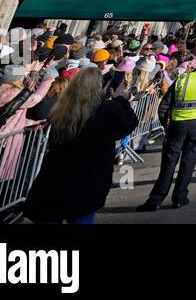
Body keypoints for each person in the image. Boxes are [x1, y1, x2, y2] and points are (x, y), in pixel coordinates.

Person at [22, 68, 138, 224]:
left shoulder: (61, 108)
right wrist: (121, 99)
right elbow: (128, 123)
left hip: (56, 177)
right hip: (86, 180)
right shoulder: (105, 109)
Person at [137, 51, 196, 211]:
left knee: (168, 163)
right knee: (188, 161)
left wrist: (166, 124)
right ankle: (179, 197)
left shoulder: (183, 78)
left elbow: (164, 105)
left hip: (177, 125)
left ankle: (155, 200)